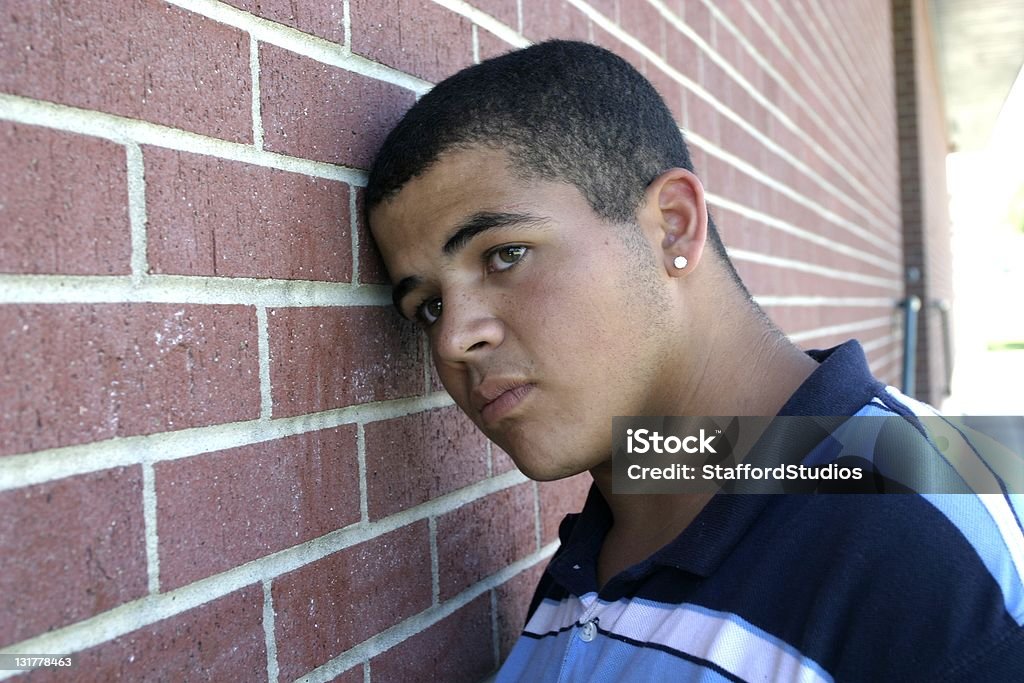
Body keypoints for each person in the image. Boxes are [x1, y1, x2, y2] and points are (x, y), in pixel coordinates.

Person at [365, 40, 1023, 681]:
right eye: (426, 306)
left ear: (673, 225)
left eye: (503, 254)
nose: (453, 339)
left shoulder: (932, 544)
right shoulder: (586, 565)